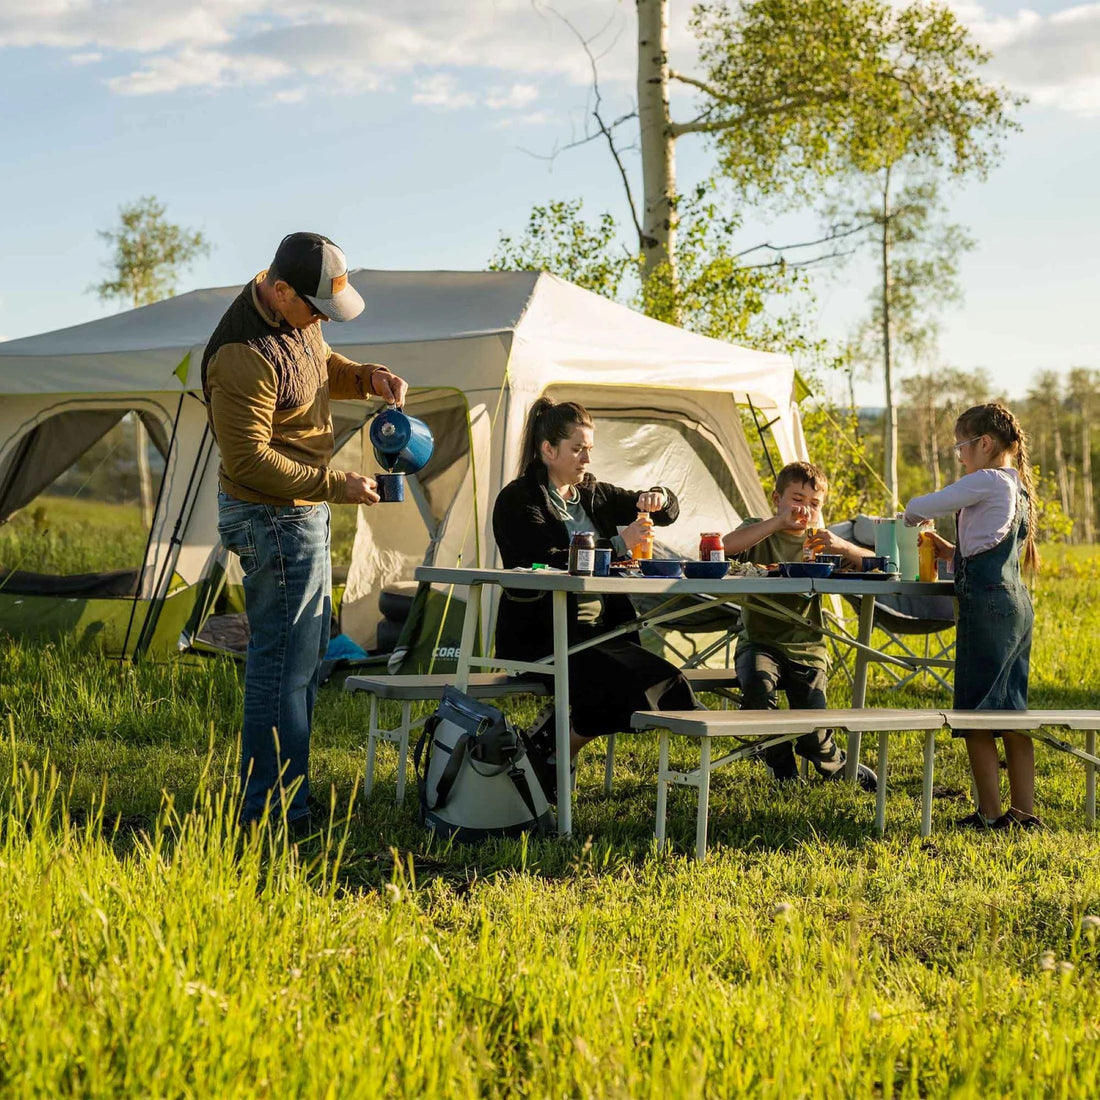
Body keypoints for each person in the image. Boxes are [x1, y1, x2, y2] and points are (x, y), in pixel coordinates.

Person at [202, 232, 410, 833]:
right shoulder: (242, 354)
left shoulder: (298, 320)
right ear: (281, 289)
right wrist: (333, 485)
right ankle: (272, 811)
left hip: (300, 511)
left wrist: (368, 378)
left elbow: (320, 369)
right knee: (281, 666)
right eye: (316, 309)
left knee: (304, 657)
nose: (321, 321)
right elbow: (247, 461)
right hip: (270, 516)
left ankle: (284, 795)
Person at [492, 397, 696, 799]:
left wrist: (658, 496)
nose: (586, 457)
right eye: (577, 448)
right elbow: (541, 559)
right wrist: (619, 543)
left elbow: (669, 511)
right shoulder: (518, 500)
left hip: (601, 633)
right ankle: (552, 746)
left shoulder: (593, 493)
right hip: (544, 636)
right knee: (633, 683)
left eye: (589, 448)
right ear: (548, 450)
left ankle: (554, 744)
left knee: (667, 683)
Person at [904, 402, 1039, 830]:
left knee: (976, 713)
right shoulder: (1014, 487)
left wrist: (912, 514)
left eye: (961, 445)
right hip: (1014, 604)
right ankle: (1023, 812)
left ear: (984, 444)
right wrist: (951, 550)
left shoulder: (985, 478)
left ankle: (989, 813)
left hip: (987, 608)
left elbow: (922, 503)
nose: (959, 454)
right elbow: (989, 544)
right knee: (1012, 711)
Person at [721, 461, 877, 790]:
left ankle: (834, 763)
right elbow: (723, 548)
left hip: (807, 646)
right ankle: (783, 770)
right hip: (759, 642)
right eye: (796, 499)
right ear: (777, 497)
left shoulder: (820, 541)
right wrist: (777, 522)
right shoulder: (759, 529)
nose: (804, 509)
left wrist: (843, 547)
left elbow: (878, 567)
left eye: (814, 504)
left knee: (813, 730)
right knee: (757, 693)